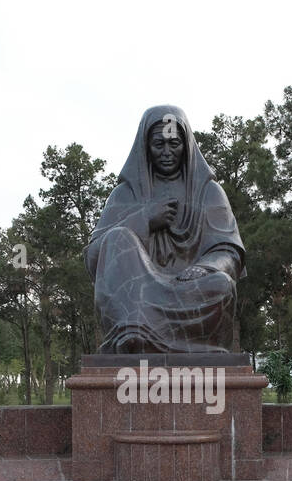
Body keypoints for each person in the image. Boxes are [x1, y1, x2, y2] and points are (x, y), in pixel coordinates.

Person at [85, 105, 245, 354]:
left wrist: (204, 268)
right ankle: (133, 332)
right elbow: (95, 257)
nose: (167, 152)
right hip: (139, 294)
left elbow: (230, 253)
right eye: (159, 144)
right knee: (116, 236)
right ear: (145, 147)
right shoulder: (125, 195)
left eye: (175, 143)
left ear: (187, 145)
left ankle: (145, 334)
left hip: (189, 289)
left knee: (222, 285)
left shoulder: (209, 192)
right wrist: (144, 219)